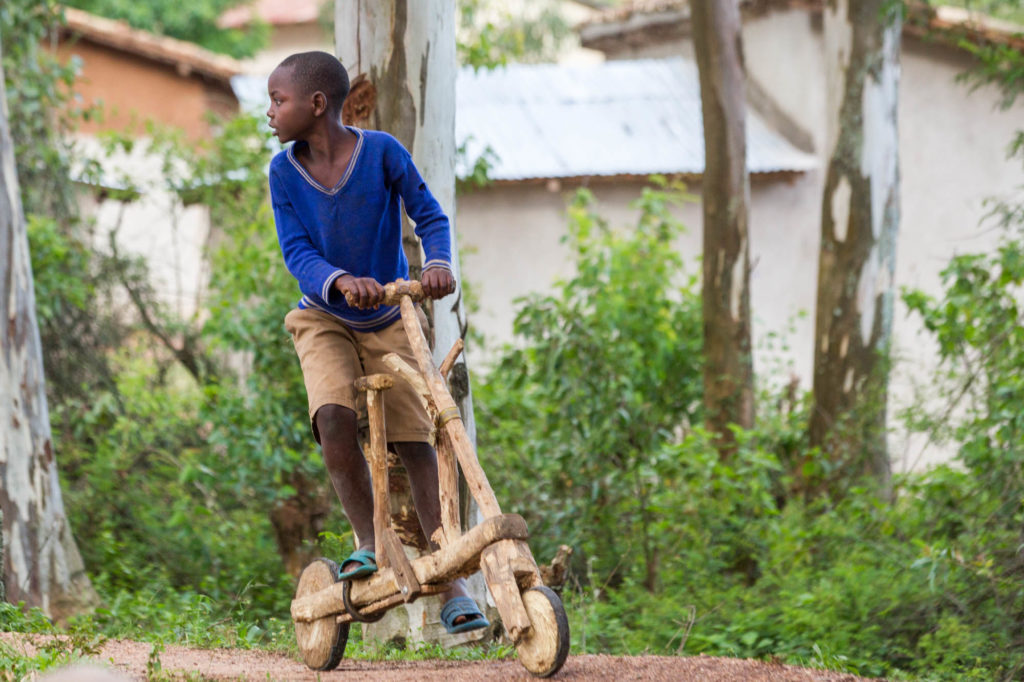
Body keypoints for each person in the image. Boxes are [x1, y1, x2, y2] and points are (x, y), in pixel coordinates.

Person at [266, 51, 488, 635]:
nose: (269, 113)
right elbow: (297, 253)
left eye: (277, 100)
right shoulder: (283, 173)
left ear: (317, 105)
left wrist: (437, 264)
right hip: (323, 315)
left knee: (420, 439)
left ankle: (453, 578)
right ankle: (371, 542)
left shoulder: (383, 152)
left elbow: (430, 216)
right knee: (334, 415)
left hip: (390, 311)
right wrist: (339, 281)